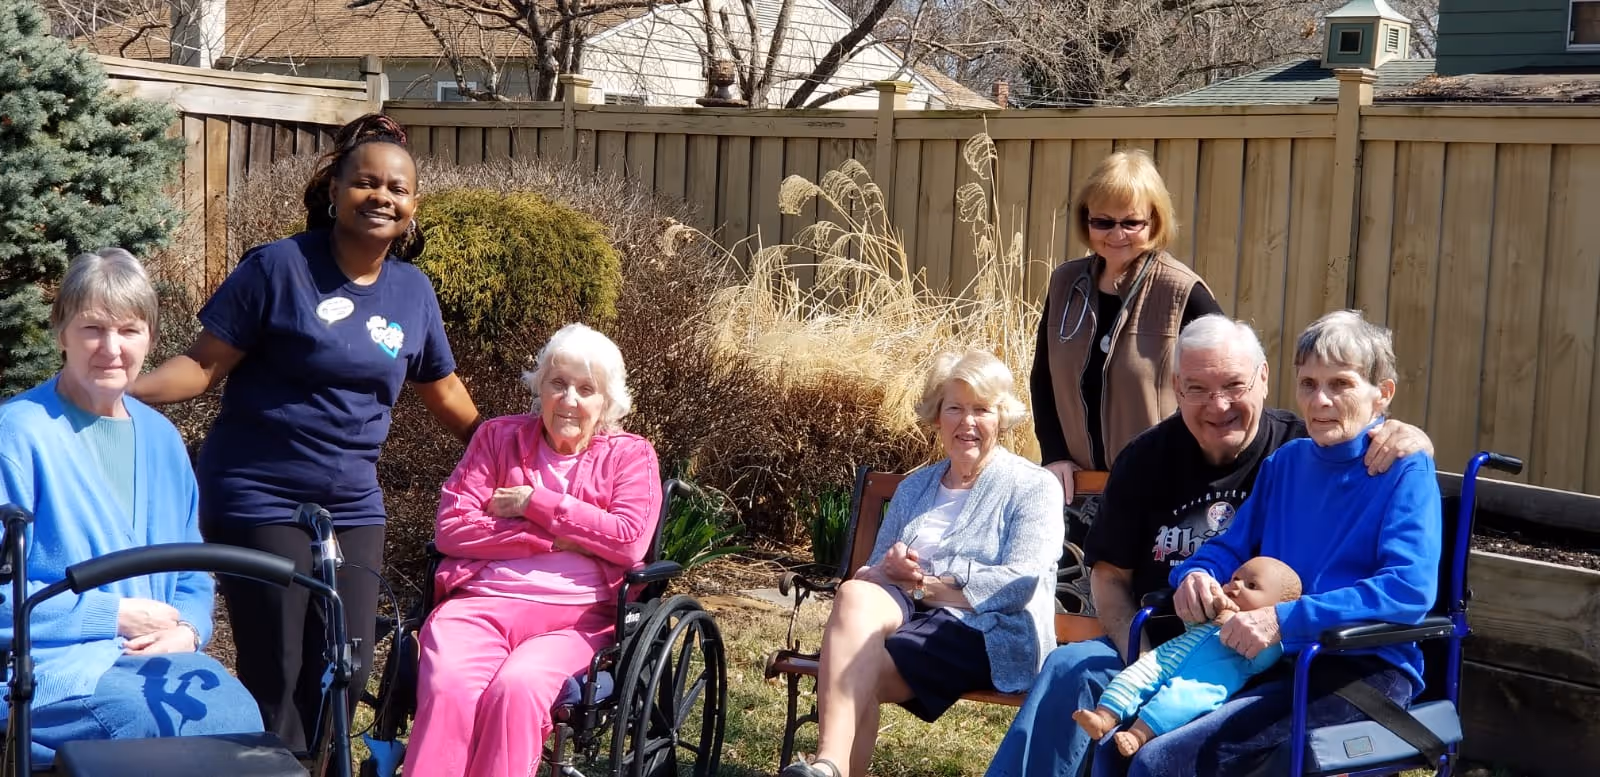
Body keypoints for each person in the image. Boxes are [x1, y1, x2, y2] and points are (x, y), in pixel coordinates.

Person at [130, 114, 482, 751]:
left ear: (413, 207)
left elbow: (445, 391)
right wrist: (115, 390)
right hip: (259, 493)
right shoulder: (278, 268)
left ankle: (321, 765)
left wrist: (510, 447)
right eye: (365, 183)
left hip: (351, 500)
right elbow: (203, 366)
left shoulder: (412, 291)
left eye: (397, 189)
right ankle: (274, 764)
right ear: (333, 191)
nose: (381, 197)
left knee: (345, 666)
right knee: (281, 666)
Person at [985, 313, 1433, 777]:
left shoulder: (1402, 468)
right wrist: (1194, 574)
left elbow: (1408, 591)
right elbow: (1229, 547)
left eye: (1340, 384)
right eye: (1309, 384)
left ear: (1383, 393)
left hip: (1349, 667)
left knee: (1157, 761)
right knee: (1115, 738)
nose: (1320, 400)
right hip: (1256, 656)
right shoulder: (1289, 463)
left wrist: (1280, 618)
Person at [0, 250, 263, 763]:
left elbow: (192, 570)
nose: (111, 349)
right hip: (47, 668)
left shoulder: (162, 439)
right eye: (92, 329)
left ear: (151, 337)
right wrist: (113, 615)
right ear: (61, 334)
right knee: (145, 727)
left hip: (159, 664)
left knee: (242, 723)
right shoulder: (16, 435)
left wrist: (188, 630)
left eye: (129, 330)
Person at [781, 350, 1064, 777]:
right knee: (855, 592)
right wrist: (888, 568)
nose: (967, 423)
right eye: (955, 408)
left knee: (857, 668)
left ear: (1001, 417)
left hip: (984, 631)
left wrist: (924, 586)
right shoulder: (916, 487)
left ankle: (828, 766)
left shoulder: (1032, 486)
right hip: (906, 617)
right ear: (937, 416)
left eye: (981, 410)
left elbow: (1019, 584)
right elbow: (872, 574)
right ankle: (829, 766)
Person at [402, 323, 661, 777]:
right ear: (540, 387)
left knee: (517, 690)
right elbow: (452, 529)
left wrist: (532, 503)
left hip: (577, 619)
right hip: (480, 605)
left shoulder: (630, 456)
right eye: (558, 384)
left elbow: (627, 539)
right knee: (449, 687)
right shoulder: (497, 439)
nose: (570, 400)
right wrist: (554, 537)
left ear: (607, 403)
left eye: (587, 389)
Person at [1031, 149, 1222, 507]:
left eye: (1131, 223)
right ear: (1085, 220)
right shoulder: (1065, 284)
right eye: (1103, 222)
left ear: (1154, 221)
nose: (1116, 234)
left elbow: (1232, 383)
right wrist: (1054, 454)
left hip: (1160, 487)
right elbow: (1043, 378)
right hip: (1079, 488)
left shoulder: (1182, 292)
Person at [1073, 557, 1301, 757]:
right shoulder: (1218, 613)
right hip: (1163, 660)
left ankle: (1138, 735)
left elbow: (1265, 658)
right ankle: (1103, 717)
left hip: (1196, 684)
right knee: (1130, 679)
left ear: (1276, 608)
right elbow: (1190, 624)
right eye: (1235, 578)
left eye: (1251, 585)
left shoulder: (1260, 639)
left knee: (1173, 705)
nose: (1236, 585)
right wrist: (1207, 608)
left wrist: (1246, 624)